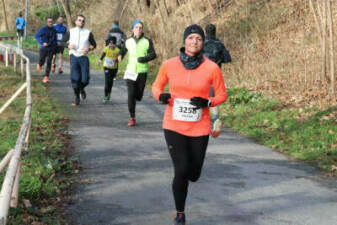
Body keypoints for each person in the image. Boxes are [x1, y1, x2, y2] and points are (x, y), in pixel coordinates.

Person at [152, 24, 227, 225]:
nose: (195, 42)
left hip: (199, 126)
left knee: (194, 174)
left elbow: (222, 94)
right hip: (173, 125)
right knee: (181, 169)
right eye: (191, 38)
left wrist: (207, 102)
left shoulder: (211, 67)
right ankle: (180, 214)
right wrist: (161, 95)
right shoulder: (169, 64)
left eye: (199, 39)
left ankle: (189, 182)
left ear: (203, 43)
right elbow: (156, 86)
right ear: (184, 40)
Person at [120, 20, 156, 126]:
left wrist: (144, 59)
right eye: (136, 27)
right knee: (131, 94)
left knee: (138, 96)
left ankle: (137, 97)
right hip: (130, 71)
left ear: (142, 29)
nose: (138, 29)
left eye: (140, 28)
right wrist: (120, 56)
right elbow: (123, 50)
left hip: (142, 71)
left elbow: (153, 54)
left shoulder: (147, 41)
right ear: (132, 29)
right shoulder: (128, 41)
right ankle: (132, 117)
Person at [203, 23, 231, 138]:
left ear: (205, 32)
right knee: (213, 99)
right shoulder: (219, 44)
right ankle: (215, 119)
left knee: (201, 97)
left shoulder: (201, 43)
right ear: (215, 32)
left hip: (202, 74)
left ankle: (203, 122)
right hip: (216, 74)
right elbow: (228, 58)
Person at [61, 15, 97, 106]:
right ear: (76, 22)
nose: (81, 22)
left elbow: (94, 45)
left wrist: (88, 49)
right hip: (73, 56)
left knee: (85, 80)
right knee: (75, 79)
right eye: (79, 20)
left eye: (83, 21)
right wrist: (68, 46)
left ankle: (81, 89)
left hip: (83, 57)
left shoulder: (88, 32)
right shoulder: (71, 31)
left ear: (84, 23)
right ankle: (77, 97)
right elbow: (62, 42)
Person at [35, 17, 57, 83]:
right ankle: (40, 64)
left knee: (49, 62)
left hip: (51, 48)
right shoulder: (43, 29)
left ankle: (46, 77)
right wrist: (42, 43)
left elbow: (55, 39)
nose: (50, 23)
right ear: (47, 22)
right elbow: (37, 36)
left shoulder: (54, 30)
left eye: (51, 22)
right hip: (43, 48)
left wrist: (55, 44)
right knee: (42, 60)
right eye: (49, 22)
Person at [98, 37, 120, 103]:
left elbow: (119, 59)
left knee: (110, 82)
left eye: (113, 44)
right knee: (107, 82)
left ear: (115, 44)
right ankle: (105, 96)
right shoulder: (106, 48)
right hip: (106, 67)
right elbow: (103, 54)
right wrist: (100, 60)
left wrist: (116, 59)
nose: (111, 45)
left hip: (114, 68)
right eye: (110, 44)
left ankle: (109, 93)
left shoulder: (117, 50)